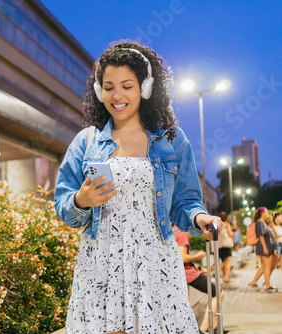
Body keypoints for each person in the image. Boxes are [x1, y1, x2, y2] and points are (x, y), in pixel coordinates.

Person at [54, 41, 222, 334]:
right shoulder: (86, 141)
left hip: (155, 259)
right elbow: (63, 203)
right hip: (100, 260)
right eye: (108, 87)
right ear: (98, 91)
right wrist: (81, 200)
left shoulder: (172, 140)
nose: (116, 95)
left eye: (127, 86)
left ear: (145, 88)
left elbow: (185, 201)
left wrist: (199, 218)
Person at [173, 224, 228, 334]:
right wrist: (197, 256)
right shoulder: (182, 233)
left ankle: (214, 326)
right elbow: (182, 257)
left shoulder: (173, 231)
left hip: (182, 272)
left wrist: (197, 266)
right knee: (218, 293)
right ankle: (204, 328)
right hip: (188, 273)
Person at [248, 207, 278, 292]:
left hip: (268, 247)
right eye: (267, 212)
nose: (268, 214)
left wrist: (272, 222)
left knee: (265, 266)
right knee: (266, 267)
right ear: (263, 214)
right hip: (263, 247)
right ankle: (267, 285)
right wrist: (265, 248)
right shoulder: (260, 223)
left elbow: (273, 232)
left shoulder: (265, 223)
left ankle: (255, 282)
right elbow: (260, 235)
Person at [217, 212, 234, 283]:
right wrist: (233, 235)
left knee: (224, 261)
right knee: (227, 262)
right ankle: (218, 272)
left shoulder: (218, 225)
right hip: (226, 245)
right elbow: (230, 234)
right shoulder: (227, 224)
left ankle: (224, 278)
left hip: (219, 246)